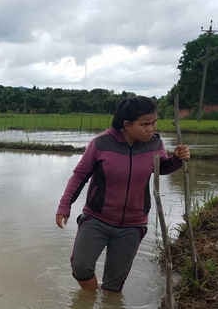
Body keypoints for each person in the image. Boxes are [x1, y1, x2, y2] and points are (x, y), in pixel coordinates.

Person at [56, 96, 190, 292]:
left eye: (154, 123)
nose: (151, 128)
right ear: (126, 124)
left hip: (132, 225)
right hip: (96, 219)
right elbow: (79, 176)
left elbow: (162, 167)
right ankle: (88, 301)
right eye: (145, 124)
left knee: (113, 285)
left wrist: (177, 159)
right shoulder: (101, 144)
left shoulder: (154, 144)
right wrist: (64, 206)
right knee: (81, 267)